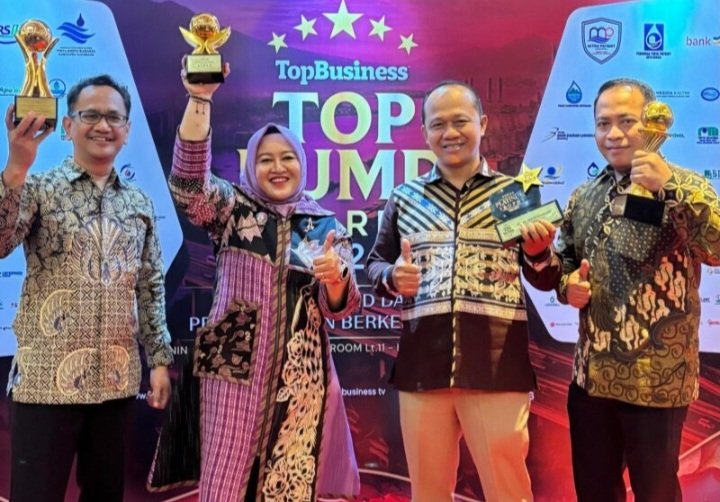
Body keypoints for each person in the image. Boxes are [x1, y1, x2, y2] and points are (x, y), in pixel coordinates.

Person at [154, 61, 360, 502]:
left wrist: (336, 280)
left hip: (300, 379)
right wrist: (200, 100)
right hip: (230, 373)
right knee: (225, 485)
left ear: (302, 164)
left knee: (288, 484)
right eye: (265, 159)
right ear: (251, 165)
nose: (277, 167)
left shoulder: (325, 225)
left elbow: (340, 307)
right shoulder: (231, 208)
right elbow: (188, 186)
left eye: (287, 158)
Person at [366, 80, 558, 502]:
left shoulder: (516, 195)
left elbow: (545, 278)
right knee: (428, 493)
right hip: (422, 368)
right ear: (424, 132)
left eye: (460, 122)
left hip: (497, 367)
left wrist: (539, 254)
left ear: (482, 124)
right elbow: (374, 265)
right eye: (438, 124)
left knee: (508, 491)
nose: (450, 133)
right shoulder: (404, 198)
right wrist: (394, 277)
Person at [1, 74, 173, 502]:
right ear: (68, 125)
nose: (103, 126)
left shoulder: (139, 203)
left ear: (127, 130)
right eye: (90, 115)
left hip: (116, 383)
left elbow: (150, 286)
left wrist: (159, 361)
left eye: (114, 117)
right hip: (45, 382)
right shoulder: (38, 189)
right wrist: (16, 166)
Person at [552, 77, 720, 502]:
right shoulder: (584, 196)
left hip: (658, 380)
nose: (614, 134)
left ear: (652, 124)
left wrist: (671, 187)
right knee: (594, 492)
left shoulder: (687, 186)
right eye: (603, 123)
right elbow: (565, 259)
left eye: (627, 121)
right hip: (590, 381)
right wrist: (567, 285)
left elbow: (717, 248)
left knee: (657, 493)